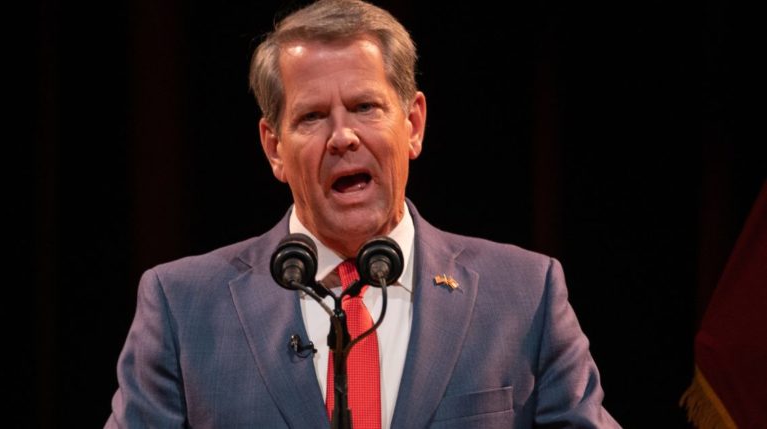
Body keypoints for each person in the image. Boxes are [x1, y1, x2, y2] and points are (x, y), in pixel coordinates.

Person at [105, 0, 620, 427]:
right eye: (311, 116)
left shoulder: (526, 295)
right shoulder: (182, 308)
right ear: (274, 148)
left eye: (365, 107)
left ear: (413, 124)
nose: (342, 136)